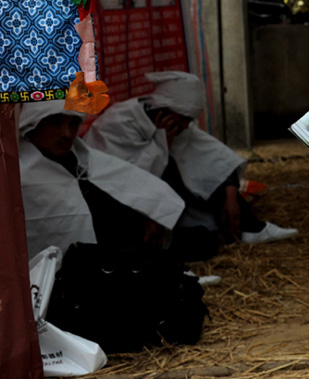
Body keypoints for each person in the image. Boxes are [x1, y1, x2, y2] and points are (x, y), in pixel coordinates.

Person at [83, 72, 297, 253]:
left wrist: (231, 195)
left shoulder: (175, 121)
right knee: (201, 243)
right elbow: (127, 179)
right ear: (166, 109)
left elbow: (212, 158)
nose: (186, 126)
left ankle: (252, 227)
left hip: (173, 208)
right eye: (184, 119)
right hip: (130, 212)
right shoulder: (120, 122)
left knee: (201, 173)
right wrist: (162, 143)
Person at [19, 100, 185, 260]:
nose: (67, 134)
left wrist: (149, 214)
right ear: (33, 124)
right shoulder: (19, 176)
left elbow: (123, 187)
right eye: (55, 122)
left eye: (73, 123)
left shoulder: (85, 160)